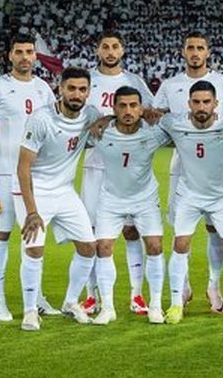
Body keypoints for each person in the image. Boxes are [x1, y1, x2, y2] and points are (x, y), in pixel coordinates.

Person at [0, 34, 58, 323]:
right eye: (18, 52)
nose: (24, 57)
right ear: (9, 55)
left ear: (35, 56)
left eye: (29, 52)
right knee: (1, 234)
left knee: (35, 236)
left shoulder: (44, 89)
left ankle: (37, 297)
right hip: (4, 174)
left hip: (36, 176)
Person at [152, 32, 223, 312]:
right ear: (183, 51)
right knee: (181, 232)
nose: (195, 52)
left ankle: (214, 285)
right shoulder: (170, 85)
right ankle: (184, 286)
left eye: (200, 47)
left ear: (208, 51)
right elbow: (157, 118)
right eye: (190, 47)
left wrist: (221, 145)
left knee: (216, 230)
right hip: (181, 166)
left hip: (215, 169)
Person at [159, 80, 223, 324]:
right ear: (189, 103)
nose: (201, 107)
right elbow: (148, 122)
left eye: (206, 102)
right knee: (180, 243)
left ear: (216, 103)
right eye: (197, 102)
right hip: (188, 194)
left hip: (222, 196)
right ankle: (176, 304)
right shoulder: (174, 123)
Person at [15, 66, 100, 331]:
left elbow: (108, 124)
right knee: (34, 248)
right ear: (60, 88)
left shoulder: (91, 115)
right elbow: (23, 167)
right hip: (36, 189)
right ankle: (30, 311)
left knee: (89, 247)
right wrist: (31, 212)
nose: (77, 94)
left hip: (64, 191)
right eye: (71, 88)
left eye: (82, 89)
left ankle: (71, 302)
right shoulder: (42, 119)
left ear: (88, 92)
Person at [79, 32, 155, 316]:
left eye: (115, 47)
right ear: (98, 50)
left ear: (122, 50)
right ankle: (91, 296)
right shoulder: (87, 80)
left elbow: (147, 113)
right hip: (95, 164)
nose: (110, 51)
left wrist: (111, 118)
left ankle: (137, 294)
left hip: (129, 167)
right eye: (105, 47)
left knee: (131, 230)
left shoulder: (134, 81)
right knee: (92, 234)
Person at [85, 86, 170, 324]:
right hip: (111, 199)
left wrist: (159, 114)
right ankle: (107, 308)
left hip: (145, 199)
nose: (128, 110)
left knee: (154, 246)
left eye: (134, 105)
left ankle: (155, 306)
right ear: (114, 109)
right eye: (122, 106)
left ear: (141, 108)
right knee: (103, 247)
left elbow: (181, 123)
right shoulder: (101, 134)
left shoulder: (154, 134)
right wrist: (104, 119)